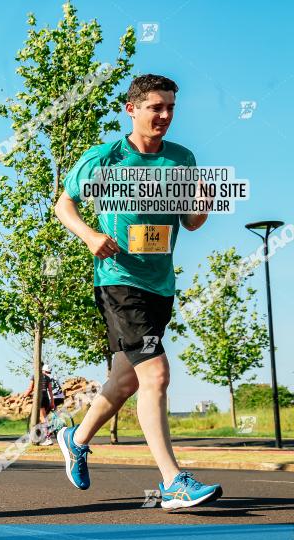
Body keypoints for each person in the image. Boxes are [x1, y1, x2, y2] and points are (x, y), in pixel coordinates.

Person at [53, 74, 222, 510]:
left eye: (170, 108)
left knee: (124, 380)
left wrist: (200, 203)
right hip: (118, 280)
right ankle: (172, 482)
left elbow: (193, 221)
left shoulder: (182, 160)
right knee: (156, 374)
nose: (164, 116)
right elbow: (63, 204)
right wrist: (90, 235)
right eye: (155, 108)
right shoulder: (106, 158)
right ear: (132, 109)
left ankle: (76, 437)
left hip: (159, 283)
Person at [23, 363, 60, 445]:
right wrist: (52, 402)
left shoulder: (34, 376)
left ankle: (47, 438)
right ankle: (39, 437)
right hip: (46, 398)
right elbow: (50, 391)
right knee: (41, 419)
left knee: (43, 419)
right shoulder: (47, 378)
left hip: (40, 398)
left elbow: (30, 388)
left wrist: (23, 396)